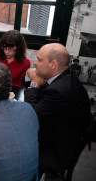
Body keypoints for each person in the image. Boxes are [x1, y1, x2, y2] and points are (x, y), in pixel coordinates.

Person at [24, 43, 91, 176]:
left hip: (56, 147)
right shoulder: (64, 75)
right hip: (62, 131)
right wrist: (32, 76)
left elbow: (31, 114)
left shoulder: (59, 90)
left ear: (53, 64)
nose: (35, 63)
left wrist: (34, 83)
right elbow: (28, 83)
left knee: (15, 151)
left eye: (39, 59)